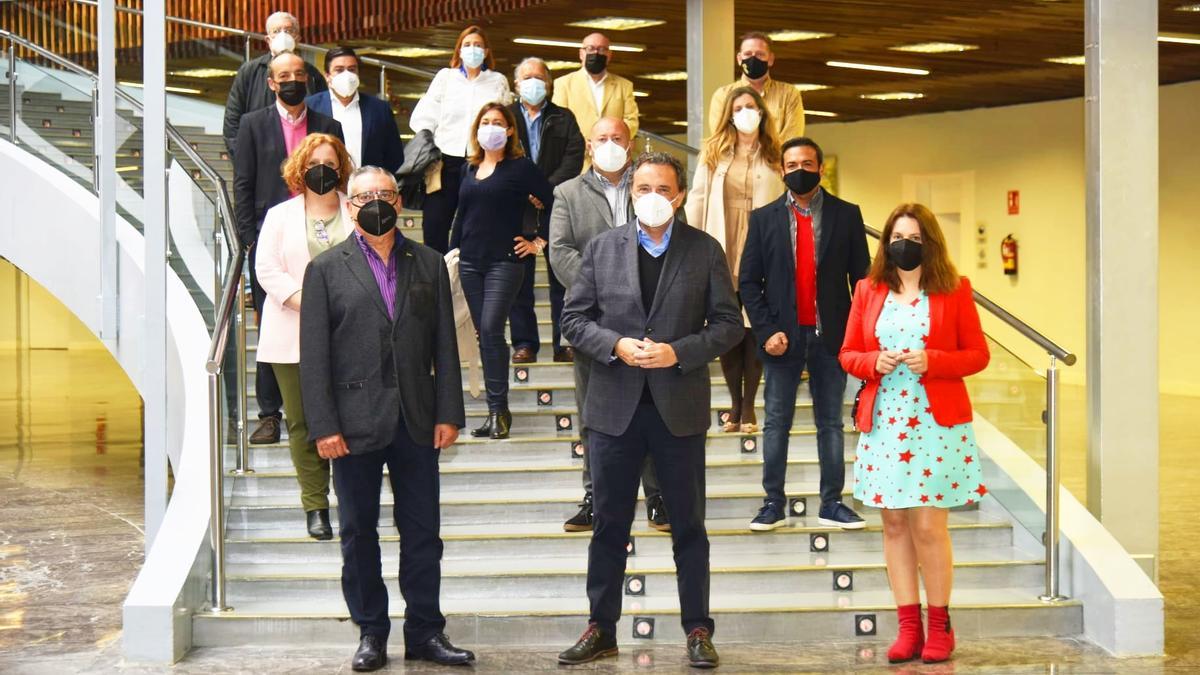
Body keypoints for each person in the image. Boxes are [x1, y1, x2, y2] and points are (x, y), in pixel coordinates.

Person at [557, 152, 742, 669]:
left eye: (663, 187)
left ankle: (698, 629)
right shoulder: (600, 249)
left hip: (677, 408)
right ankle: (601, 628)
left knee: (688, 527)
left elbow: (728, 325)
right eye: (643, 188)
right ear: (631, 194)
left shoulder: (704, 251)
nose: (653, 196)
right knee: (609, 527)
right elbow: (573, 320)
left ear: (679, 196)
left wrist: (678, 352)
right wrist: (615, 345)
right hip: (614, 408)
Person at [299, 166, 473, 671]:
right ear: (348, 207)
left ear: (399, 201)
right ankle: (371, 632)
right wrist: (324, 426)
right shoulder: (326, 269)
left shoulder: (430, 262)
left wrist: (449, 411)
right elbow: (314, 357)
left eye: (384, 194)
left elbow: (444, 341)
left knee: (423, 533)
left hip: (418, 420)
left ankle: (425, 632)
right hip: (351, 427)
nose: (375, 202)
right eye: (363, 196)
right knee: (359, 534)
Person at [839, 203, 989, 665]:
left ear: (931, 244)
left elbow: (977, 354)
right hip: (885, 421)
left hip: (935, 424)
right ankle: (909, 625)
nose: (905, 244)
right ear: (885, 243)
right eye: (898, 236)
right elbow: (848, 353)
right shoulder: (867, 290)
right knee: (894, 523)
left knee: (928, 524)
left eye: (916, 238)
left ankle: (940, 624)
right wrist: (872, 363)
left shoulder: (954, 290)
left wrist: (936, 361)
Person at [738, 137, 870, 532]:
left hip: (832, 339)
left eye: (808, 163)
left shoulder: (847, 215)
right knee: (776, 422)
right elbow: (748, 282)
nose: (800, 169)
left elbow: (861, 281)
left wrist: (855, 335)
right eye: (792, 163)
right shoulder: (763, 219)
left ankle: (832, 502)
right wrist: (765, 331)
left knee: (831, 423)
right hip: (782, 338)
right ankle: (772, 503)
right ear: (782, 170)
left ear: (821, 168)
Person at [548, 117, 668, 534]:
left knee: (652, 411)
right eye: (603, 139)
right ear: (589, 144)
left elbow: (673, 241)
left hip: (652, 320)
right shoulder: (567, 193)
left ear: (630, 143)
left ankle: (657, 497)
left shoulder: (654, 187)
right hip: (591, 324)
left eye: (618, 138)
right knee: (594, 415)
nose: (611, 144)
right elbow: (560, 251)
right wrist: (606, 285)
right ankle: (596, 497)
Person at [233, 51, 343, 446]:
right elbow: (243, 183)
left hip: (327, 235)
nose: (293, 79)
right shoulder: (252, 124)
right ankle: (269, 414)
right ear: (271, 82)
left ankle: (328, 404)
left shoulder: (328, 125)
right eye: (285, 75)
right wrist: (250, 239)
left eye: (300, 73)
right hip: (273, 240)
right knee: (273, 326)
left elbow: (341, 176)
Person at [253, 133, 354, 541]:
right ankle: (315, 505)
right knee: (302, 423)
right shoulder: (279, 216)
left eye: (331, 164)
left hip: (349, 334)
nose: (323, 171)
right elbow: (267, 269)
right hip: (290, 333)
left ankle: (350, 500)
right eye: (315, 164)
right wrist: (306, 304)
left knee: (349, 422)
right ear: (300, 167)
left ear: (341, 168)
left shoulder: (356, 210)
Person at [448, 103, 554, 440]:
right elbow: (462, 213)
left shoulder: (521, 168)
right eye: (485, 122)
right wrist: (452, 249)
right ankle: (496, 411)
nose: (491, 126)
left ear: (510, 130)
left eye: (498, 122)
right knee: (485, 333)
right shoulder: (469, 169)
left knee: (492, 328)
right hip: (470, 262)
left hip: (506, 262)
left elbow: (554, 201)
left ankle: (499, 411)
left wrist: (540, 241)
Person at [685, 86, 784, 435]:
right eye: (739, 106)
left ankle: (748, 406)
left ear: (762, 112)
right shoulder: (714, 153)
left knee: (754, 322)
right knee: (728, 323)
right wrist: (692, 243)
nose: (746, 111)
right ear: (729, 113)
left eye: (751, 106)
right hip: (722, 240)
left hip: (762, 245)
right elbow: (696, 199)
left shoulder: (775, 155)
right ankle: (732, 404)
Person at [507, 57, 585, 364]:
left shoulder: (564, 118)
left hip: (556, 205)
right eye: (526, 77)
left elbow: (573, 157)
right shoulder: (508, 117)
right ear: (516, 85)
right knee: (519, 281)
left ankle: (564, 342)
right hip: (516, 207)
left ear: (549, 84)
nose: (533, 83)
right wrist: (526, 189)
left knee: (561, 279)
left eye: (539, 77)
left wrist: (546, 190)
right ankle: (524, 343)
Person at [409, 25, 511, 253]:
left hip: (481, 160)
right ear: (459, 51)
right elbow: (424, 115)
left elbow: (505, 118)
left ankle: (466, 274)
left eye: (477, 45)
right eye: (467, 45)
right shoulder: (446, 78)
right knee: (434, 224)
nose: (472, 49)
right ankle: (438, 275)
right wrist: (429, 145)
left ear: (486, 51)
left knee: (475, 224)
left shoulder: (497, 80)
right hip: (444, 160)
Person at [222, 11, 326, 157]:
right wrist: (242, 160)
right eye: (276, 31)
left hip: (303, 161)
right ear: (268, 39)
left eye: (289, 30)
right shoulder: (250, 72)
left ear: (297, 38)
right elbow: (232, 121)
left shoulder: (312, 74)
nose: (283, 35)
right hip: (259, 159)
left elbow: (324, 117)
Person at [305, 46, 405, 173]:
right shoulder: (311, 106)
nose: (347, 75)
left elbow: (394, 154)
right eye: (339, 70)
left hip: (368, 187)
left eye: (352, 69)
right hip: (325, 187)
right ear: (327, 76)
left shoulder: (379, 109)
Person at [551, 31, 639, 165]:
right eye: (590, 48)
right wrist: (581, 142)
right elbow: (558, 120)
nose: (596, 53)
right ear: (581, 53)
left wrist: (614, 141)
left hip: (614, 160)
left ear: (609, 55)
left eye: (602, 49)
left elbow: (631, 120)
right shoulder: (563, 84)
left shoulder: (624, 86)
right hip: (577, 161)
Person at [707, 32, 805, 143]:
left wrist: (768, 155)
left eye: (760, 54)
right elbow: (721, 137)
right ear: (739, 59)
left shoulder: (789, 94)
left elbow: (792, 138)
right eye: (748, 54)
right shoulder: (723, 95)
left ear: (771, 59)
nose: (753, 59)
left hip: (777, 159)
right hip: (737, 160)